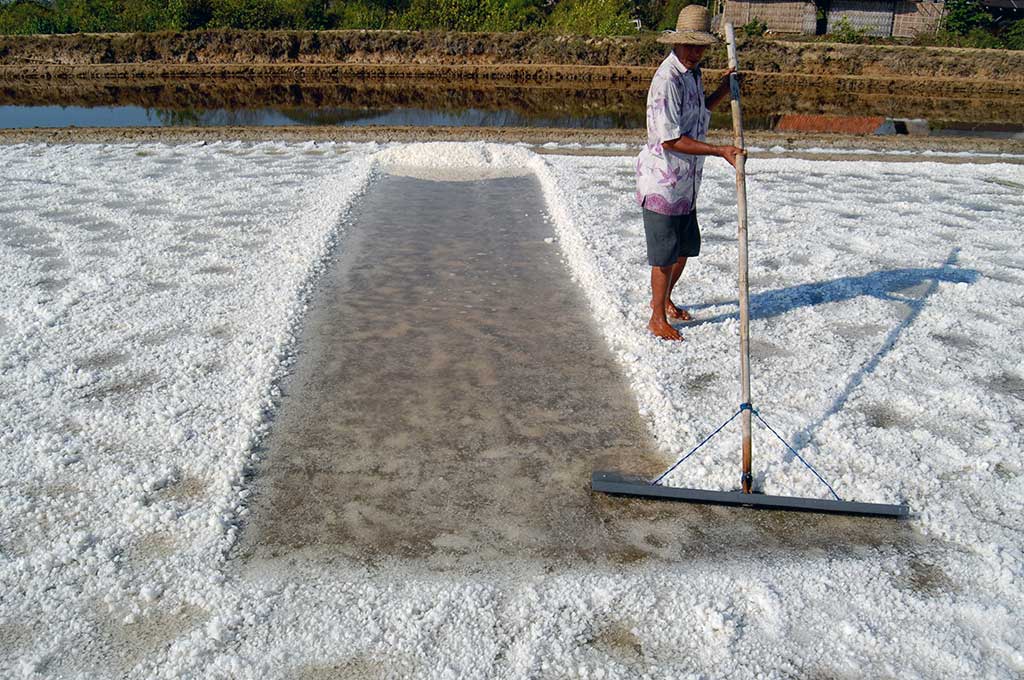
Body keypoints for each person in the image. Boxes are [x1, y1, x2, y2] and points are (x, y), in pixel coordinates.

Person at [635, 4, 743, 341]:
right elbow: (670, 139)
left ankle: (665, 300)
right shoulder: (667, 79)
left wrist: (722, 91)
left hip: (687, 183)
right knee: (664, 255)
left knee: (684, 249)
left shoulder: (692, 74)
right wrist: (719, 150)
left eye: (700, 47)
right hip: (664, 181)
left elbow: (697, 113)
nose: (695, 53)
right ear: (677, 43)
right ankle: (656, 317)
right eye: (690, 46)